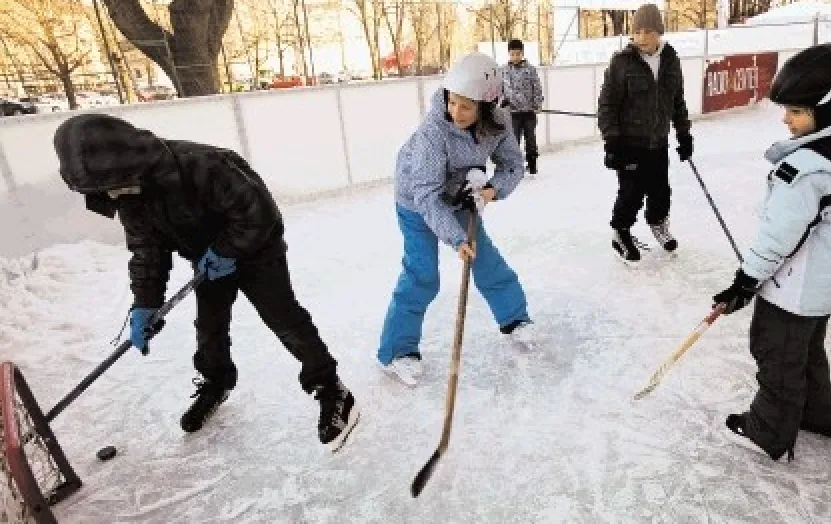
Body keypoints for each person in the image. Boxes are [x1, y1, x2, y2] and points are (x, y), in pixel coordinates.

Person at [52, 113, 359, 452]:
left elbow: (260, 212)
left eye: (106, 187)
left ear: (126, 163)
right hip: (207, 263)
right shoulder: (127, 195)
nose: (108, 196)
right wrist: (145, 302)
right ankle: (217, 381)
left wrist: (227, 250)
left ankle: (331, 388)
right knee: (210, 326)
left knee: (284, 319)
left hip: (257, 250)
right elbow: (147, 249)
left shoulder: (203, 165)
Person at [711, 43, 831, 461]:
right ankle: (817, 416)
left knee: (776, 353)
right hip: (828, 281)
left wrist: (745, 281)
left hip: (796, 288)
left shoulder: (807, 170)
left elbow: (778, 235)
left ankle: (769, 431)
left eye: (796, 111)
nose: (785, 119)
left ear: (826, 111)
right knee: (807, 351)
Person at [377, 52, 535, 386]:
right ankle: (396, 352)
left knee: (487, 260)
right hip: (418, 200)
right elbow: (426, 195)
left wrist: (492, 190)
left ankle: (515, 320)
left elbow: (512, 166)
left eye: (466, 106)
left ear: (486, 105)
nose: (455, 112)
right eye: (452, 102)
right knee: (422, 274)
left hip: (460, 192)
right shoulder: (435, 130)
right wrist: (457, 239)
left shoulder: (499, 123)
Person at [597, 2, 693, 264]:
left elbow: (678, 100)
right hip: (629, 142)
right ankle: (621, 231)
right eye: (637, 32)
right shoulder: (621, 62)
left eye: (648, 32)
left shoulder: (671, 59)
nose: (641, 38)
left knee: (661, 190)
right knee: (631, 192)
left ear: (659, 32)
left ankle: (658, 224)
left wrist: (684, 134)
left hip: (658, 140)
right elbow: (607, 104)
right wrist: (612, 141)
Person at [500, 38, 544, 175]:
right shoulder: (504, 71)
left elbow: (537, 87)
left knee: (530, 138)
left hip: (528, 112)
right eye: (512, 54)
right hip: (513, 113)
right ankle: (515, 166)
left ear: (522, 53)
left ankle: (532, 163)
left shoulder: (530, 70)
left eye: (518, 54)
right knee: (514, 140)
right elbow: (500, 89)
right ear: (509, 54)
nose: (515, 57)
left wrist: (537, 104)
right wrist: (503, 101)